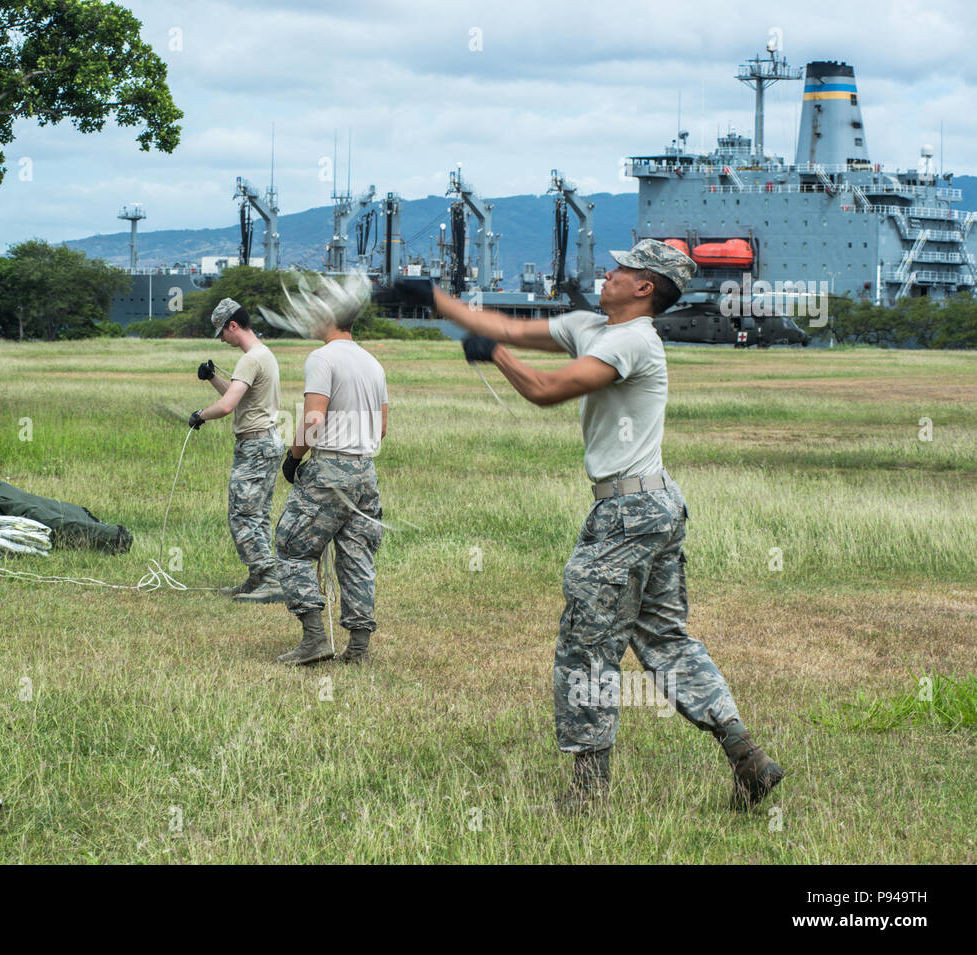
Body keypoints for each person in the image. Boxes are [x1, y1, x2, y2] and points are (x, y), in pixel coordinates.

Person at [386, 239, 783, 811]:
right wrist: (434, 299)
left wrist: (492, 353)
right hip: (654, 505)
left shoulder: (631, 341)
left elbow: (547, 389)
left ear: (644, 287)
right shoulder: (591, 324)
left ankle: (588, 794)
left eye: (622, 269)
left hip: (627, 515)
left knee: (586, 647)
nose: (610, 273)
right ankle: (747, 756)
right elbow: (498, 322)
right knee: (664, 639)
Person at [272, 292, 387, 665]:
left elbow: (313, 420)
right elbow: (381, 428)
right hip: (365, 472)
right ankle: (358, 649)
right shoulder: (373, 364)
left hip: (329, 470)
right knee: (357, 558)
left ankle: (314, 638)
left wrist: (293, 458)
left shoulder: (321, 359)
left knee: (292, 548)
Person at [188, 298, 285, 603]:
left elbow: (228, 406)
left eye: (222, 332)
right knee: (257, 515)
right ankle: (259, 578)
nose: (221, 339)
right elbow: (239, 397)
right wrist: (213, 377)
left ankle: (269, 579)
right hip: (267, 441)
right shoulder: (262, 354)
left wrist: (200, 414)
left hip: (255, 445)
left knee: (241, 516)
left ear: (233, 325)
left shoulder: (250, 359)